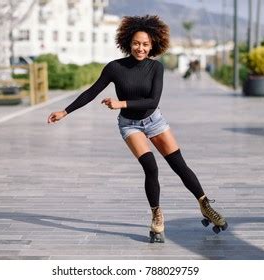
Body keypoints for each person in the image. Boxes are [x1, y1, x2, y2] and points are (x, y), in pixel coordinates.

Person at [47, 15, 227, 243]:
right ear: (128, 42)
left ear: (152, 45)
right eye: (136, 43)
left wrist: (120, 103)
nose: (140, 48)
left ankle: (204, 205)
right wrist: (65, 111)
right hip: (130, 125)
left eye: (145, 44)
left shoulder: (155, 68)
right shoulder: (115, 68)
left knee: (179, 165)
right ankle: (157, 215)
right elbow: (92, 91)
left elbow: (152, 102)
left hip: (154, 121)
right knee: (150, 167)